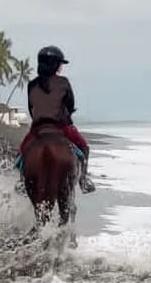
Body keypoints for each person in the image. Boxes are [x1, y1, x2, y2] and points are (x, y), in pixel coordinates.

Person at [17, 45, 96, 194]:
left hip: (38, 128)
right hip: (61, 126)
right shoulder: (64, 82)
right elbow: (70, 104)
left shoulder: (32, 84)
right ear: (54, 64)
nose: (61, 67)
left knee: (21, 153)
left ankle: (22, 181)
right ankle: (83, 180)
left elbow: (31, 108)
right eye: (60, 64)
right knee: (84, 148)